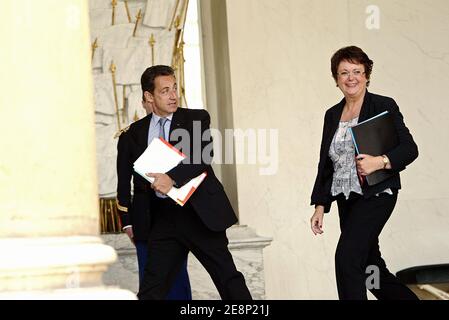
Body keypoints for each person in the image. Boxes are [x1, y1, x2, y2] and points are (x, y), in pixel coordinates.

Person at [310, 46, 419, 300]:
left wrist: (380, 161)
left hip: (376, 194)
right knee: (372, 270)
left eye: (357, 71)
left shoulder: (383, 105)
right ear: (336, 79)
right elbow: (327, 164)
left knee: (347, 259)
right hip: (346, 198)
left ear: (367, 75)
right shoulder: (332, 115)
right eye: (344, 72)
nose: (351, 78)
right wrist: (320, 204)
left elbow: (409, 149)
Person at [134, 65, 252, 300]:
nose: (173, 95)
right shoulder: (137, 131)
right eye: (165, 90)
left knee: (228, 280)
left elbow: (202, 156)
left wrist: (172, 177)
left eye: (174, 88)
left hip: (200, 214)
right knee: (151, 289)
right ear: (149, 96)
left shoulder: (196, 117)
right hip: (164, 219)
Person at [116, 93, 192, 300]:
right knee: (150, 281)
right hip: (146, 219)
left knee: (177, 279)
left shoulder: (185, 129)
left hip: (178, 214)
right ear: (147, 99)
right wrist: (127, 222)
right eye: (164, 92)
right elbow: (123, 183)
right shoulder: (130, 135)